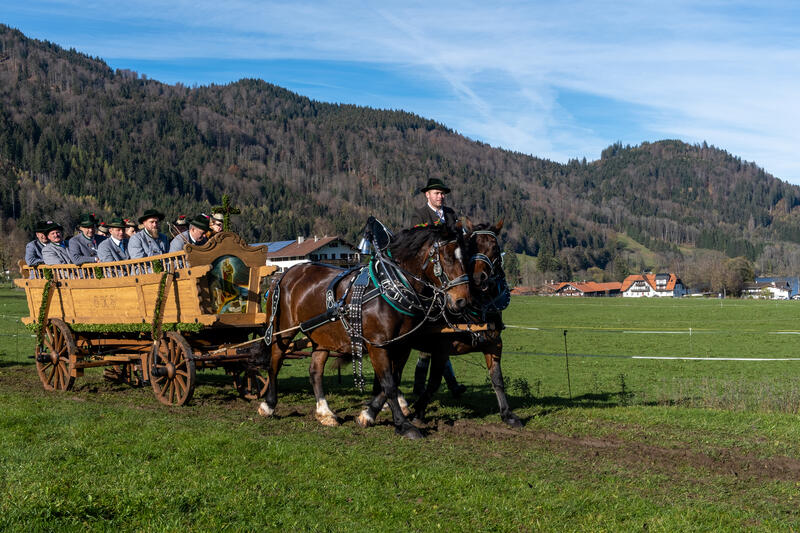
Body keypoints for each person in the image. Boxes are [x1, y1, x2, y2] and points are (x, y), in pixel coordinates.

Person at [409, 178, 466, 398]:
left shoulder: (451, 214)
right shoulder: (419, 215)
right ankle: (433, 386)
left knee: (434, 346)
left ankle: (445, 386)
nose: (440, 197)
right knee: (429, 347)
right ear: (427, 195)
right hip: (430, 273)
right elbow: (418, 243)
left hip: (450, 270)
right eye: (436, 193)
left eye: (442, 194)